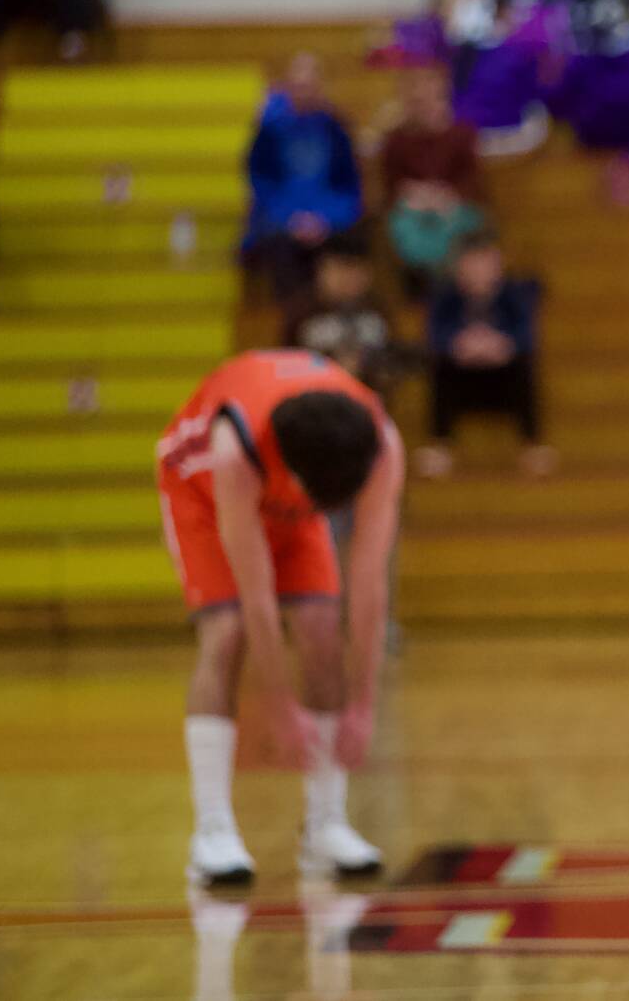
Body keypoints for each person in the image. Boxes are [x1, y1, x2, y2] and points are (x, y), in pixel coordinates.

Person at [155, 349, 403, 886]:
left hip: (288, 486)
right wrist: (276, 701)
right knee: (227, 631)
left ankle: (326, 824)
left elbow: (369, 586)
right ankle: (212, 832)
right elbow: (256, 596)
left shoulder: (381, 444)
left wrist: (364, 704)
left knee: (320, 629)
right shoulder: (232, 448)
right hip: (200, 492)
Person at [418, 231, 552, 479]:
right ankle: (440, 444)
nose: (479, 271)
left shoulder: (515, 294)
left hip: (503, 378)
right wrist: (461, 344)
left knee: (525, 367)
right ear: (459, 266)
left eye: (485, 263)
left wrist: (500, 344)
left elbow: (526, 336)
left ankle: (532, 445)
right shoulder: (445, 295)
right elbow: (434, 336)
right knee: (440, 367)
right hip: (461, 378)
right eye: (472, 263)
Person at [242, 54, 364, 302]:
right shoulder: (269, 131)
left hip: (328, 217)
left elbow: (349, 186)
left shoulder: (336, 129)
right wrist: (293, 219)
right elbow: (261, 184)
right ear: (286, 89)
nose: (304, 93)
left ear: (321, 88)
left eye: (309, 86)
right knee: (279, 246)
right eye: (297, 87)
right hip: (282, 217)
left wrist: (324, 219)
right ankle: (293, 317)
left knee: (348, 244)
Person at [379, 72, 487, 292]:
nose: (428, 106)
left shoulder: (462, 134)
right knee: (407, 228)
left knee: (457, 225)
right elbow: (393, 181)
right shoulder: (397, 138)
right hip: (413, 206)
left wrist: (447, 196)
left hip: (454, 204)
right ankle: (426, 287)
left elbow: (471, 180)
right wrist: (416, 194)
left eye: (435, 98)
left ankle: (449, 288)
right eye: (420, 102)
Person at [285, 233, 404, 399]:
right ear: (322, 269)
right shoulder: (302, 311)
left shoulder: (377, 310)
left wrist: (365, 367)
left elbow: (393, 365)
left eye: (358, 270)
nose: (350, 280)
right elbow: (285, 368)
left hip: (366, 407)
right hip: (312, 406)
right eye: (342, 269)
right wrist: (332, 367)